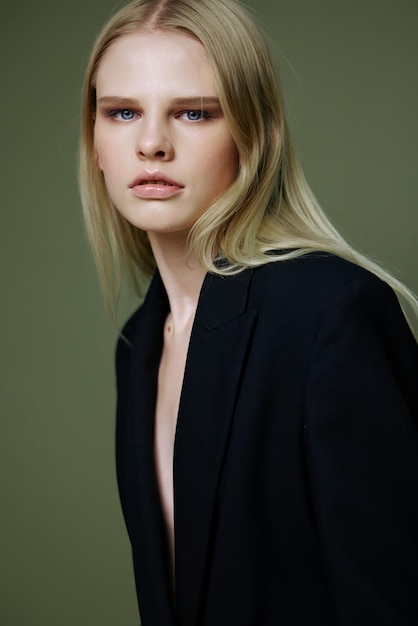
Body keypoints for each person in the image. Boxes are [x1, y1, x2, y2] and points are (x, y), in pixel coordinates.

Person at [79, 0, 418, 624]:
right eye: (122, 112)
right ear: (95, 144)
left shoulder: (332, 314)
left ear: (252, 134)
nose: (151, 143)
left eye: (193, 113)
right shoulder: (138, 345)